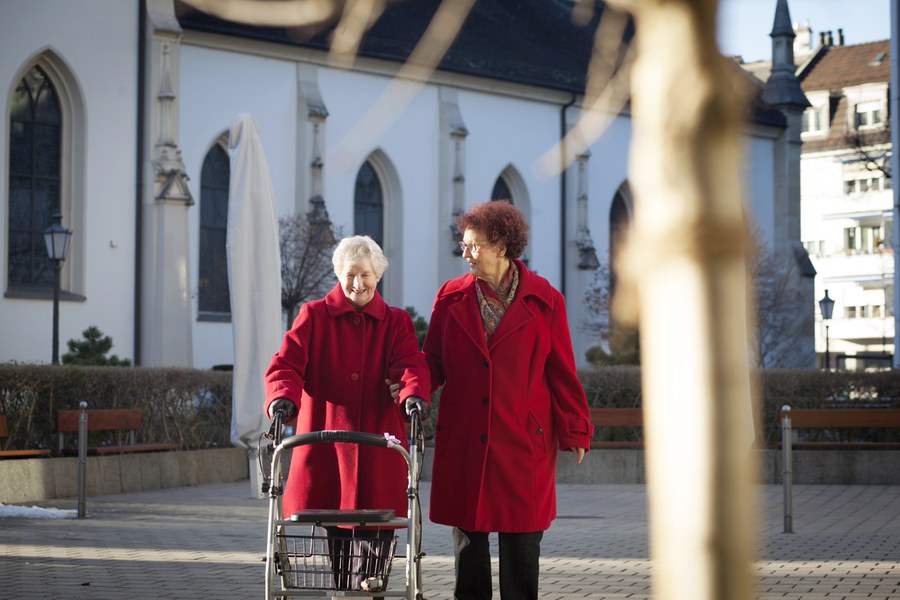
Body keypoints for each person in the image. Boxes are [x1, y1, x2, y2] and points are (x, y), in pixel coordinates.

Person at [423, 200, 594, 600]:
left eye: (473, 245)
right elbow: (433, 360)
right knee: (469, 551)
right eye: (463, 245)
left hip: (522, 440)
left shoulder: (546, 300)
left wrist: (575, 429)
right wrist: (412, 383)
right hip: (466, 438)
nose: (464, 252)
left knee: (521, 551)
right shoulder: (449, 298)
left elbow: (561, 371)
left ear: (501, 246)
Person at [264, 235, 429, 588]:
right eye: (350, 274)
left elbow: (410, 365)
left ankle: (368, 590)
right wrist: (283, 397)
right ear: (339, 275)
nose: (358, 283)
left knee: (375, 549)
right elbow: (286, 365)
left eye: (365, 274)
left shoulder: (396, 322)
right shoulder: (312, 316)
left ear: (378, 275)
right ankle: (345, 593)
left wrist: (413, 394)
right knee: (337, 540)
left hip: (378, 449)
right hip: (326, 448)